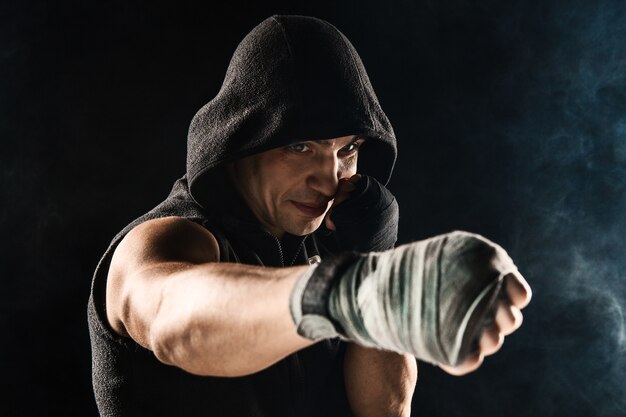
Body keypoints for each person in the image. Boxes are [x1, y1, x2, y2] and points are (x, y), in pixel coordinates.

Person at [88, 15, 531, 417]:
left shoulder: (330, 242)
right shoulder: (162, 241)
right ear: (243, 143)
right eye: (300, 147)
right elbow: (174, 323)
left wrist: (372, 264)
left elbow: (384, 411)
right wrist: (355, 291)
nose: (330, 179)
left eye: (348, 149)